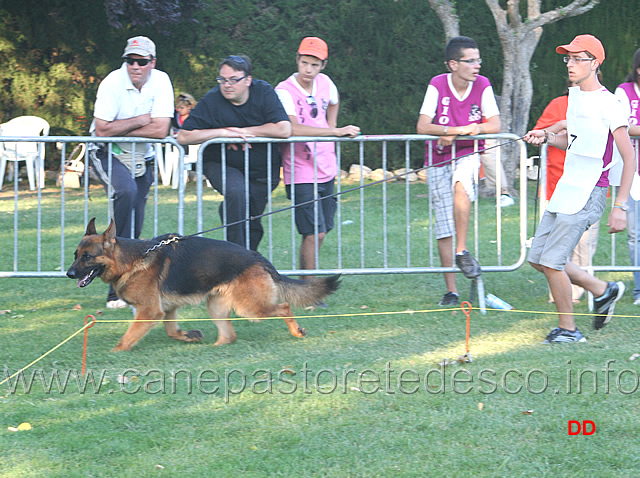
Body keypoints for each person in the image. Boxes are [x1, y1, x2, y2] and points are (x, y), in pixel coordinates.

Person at [524, 34, 635, 343]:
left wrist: (620, 206)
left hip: (590, 191)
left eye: (577, 58)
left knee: (552, 262)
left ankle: (569, 331)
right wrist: (546, 137)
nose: (570, 64)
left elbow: (629, 157)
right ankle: (603, 289)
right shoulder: (575, 97)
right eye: (568, 58)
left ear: (595, 63)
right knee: (538, 257)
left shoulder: (609, 103)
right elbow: (571, 143)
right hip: (567, 187)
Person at [90, 35, 174, 308]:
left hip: (142, 157)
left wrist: (122, 126)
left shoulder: (161, 81)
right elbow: (102, 129)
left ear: (153, 63)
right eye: (130, 61)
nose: (135, 66)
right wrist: (141, 120)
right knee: (125, 192)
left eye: (141, 61)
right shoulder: (112, 83)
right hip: (107, 152)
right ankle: (114, 288)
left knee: (134, 225)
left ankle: (128, 286)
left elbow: (162, 129)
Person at [416, 36, 501, 306]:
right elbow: (423, 126)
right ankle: (451, 290)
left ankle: (462, 251)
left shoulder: (483, 84)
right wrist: (451, 131)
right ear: (454, 64)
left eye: (479, 60)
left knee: (462, 185)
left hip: (467, 152)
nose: (477, 65)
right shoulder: (437, 84)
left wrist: (475, 128)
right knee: (443, 225)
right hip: (438, 158)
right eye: (471, 60)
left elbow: (495, 124)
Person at [177, 55, 291, 251]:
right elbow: (184, 136)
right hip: (220, 163)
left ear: (248, 80)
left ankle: (247, 262)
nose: (227, 85)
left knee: (251, 221)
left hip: (262, 170)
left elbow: (284, 129)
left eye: (233, 80)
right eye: (222, 79)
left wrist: (247, 132)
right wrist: (223, 133)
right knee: (237, 192)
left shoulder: (263, 92)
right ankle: (235, 262)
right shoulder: (212, 99)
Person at [275, 37, 360, 275]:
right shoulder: (284, 90)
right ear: (297, 60)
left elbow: (333, 101)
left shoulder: (325, 83)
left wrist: (330, 125)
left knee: (322, 231)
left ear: (323, 65)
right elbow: (291, 128)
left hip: (325, 166)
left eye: (314, 65)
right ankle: (309, 286)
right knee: (312, 232)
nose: (308, 70)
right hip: (300, 169)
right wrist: (334, 131)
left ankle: (306, 279)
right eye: (304, 63)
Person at [534, 81, 600, 304]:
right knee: (549, 249)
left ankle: (583, 292)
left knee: (583, 244)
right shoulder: (557, 104)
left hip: (589, 187)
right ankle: (568, 293)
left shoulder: (602, 104)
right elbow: (538, 134)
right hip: (558, 185)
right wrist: (561, 123)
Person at [615, 48, 640, 305]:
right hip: (633, 172)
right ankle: (639, 290)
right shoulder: (624, 91)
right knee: (635, 235)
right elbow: (620, 124)